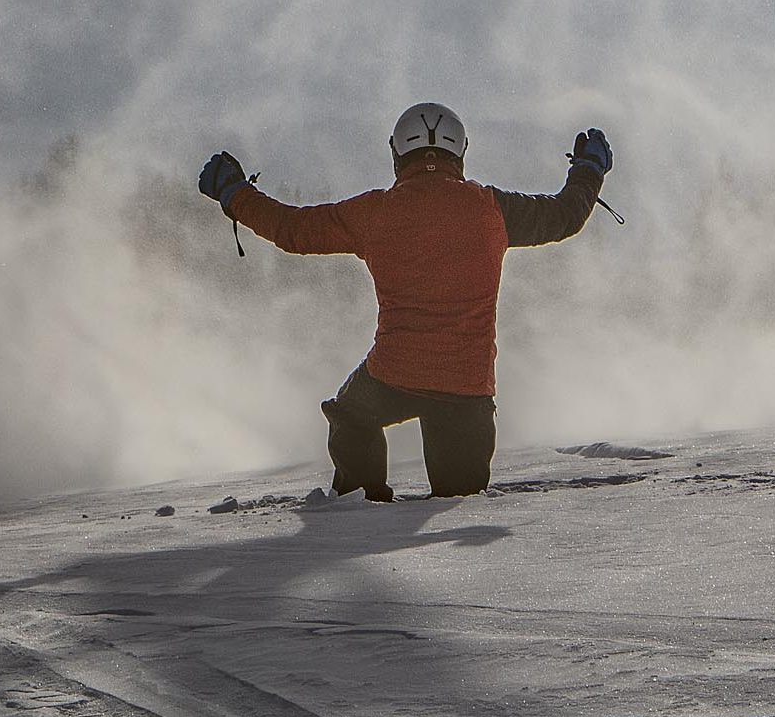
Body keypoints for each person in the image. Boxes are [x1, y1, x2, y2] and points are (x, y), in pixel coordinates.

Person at [197, 102, 612, 500]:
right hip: (468, 390)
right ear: (460, 153)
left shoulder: (376, 211)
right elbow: (565, 215)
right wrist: (588, 170)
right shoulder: (492, 209)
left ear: (397, 154)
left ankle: (362, 503)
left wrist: (235, 194)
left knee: (351, 415)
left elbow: (293, 230)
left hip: (393, 375)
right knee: (459, 499)